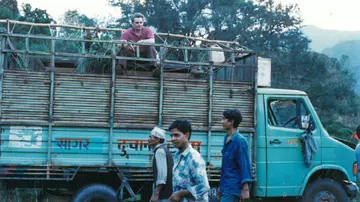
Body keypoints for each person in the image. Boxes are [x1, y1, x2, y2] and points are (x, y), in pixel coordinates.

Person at [168, 120, 210, 202]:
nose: (172, 139)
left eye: (176, 135)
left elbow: (204, 187)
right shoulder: (177, 155)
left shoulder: (194, 157)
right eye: (171, 135)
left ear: (186, 135)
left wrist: (181, 193)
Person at [217, 109, 252, 201]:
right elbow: (225, 167)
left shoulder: (240, 141)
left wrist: (245, 189)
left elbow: (245, 166)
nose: (221, 122)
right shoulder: (226, 138)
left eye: (224, 119)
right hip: (226, 186)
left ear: (231, 122)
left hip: (233, 188)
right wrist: (221, 188)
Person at [148, 126, 174, 202]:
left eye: (151, 137)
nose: (148, 139)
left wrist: (156, 193)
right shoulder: (163, 149)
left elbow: (162, 175)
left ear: (157, 139)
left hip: (164, 195)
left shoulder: (160, 151)